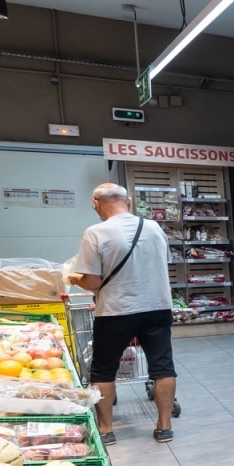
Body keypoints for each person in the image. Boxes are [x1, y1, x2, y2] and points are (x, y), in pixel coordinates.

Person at [71, 183, 176, 444]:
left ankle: (106, 429)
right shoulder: (154, 227)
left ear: (96, 204)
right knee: (162, 366)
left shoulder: (95, 232)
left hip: (116, 310)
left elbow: (92, 282)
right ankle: (165, 426)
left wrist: (74, 278)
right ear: (127, 201)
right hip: (158, 306)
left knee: (104, 370)